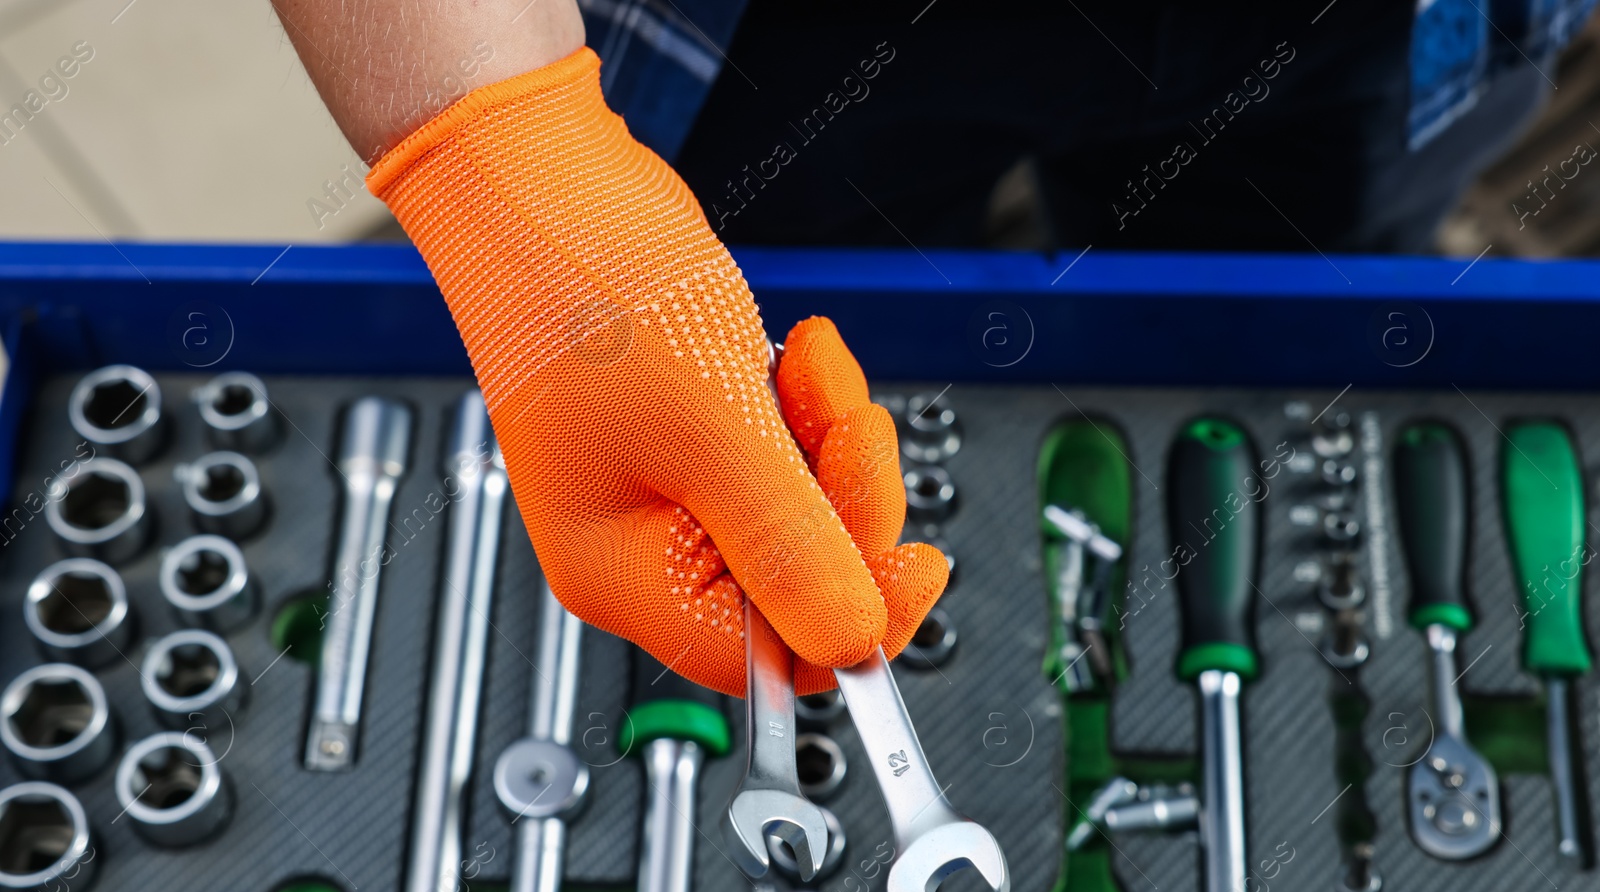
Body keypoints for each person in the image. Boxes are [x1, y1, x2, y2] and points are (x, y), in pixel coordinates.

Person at [271, 0, 1588, 694]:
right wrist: (499, 156)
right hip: (798, 33)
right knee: (788, 363)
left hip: (1382, 29)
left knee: (1256, 330)